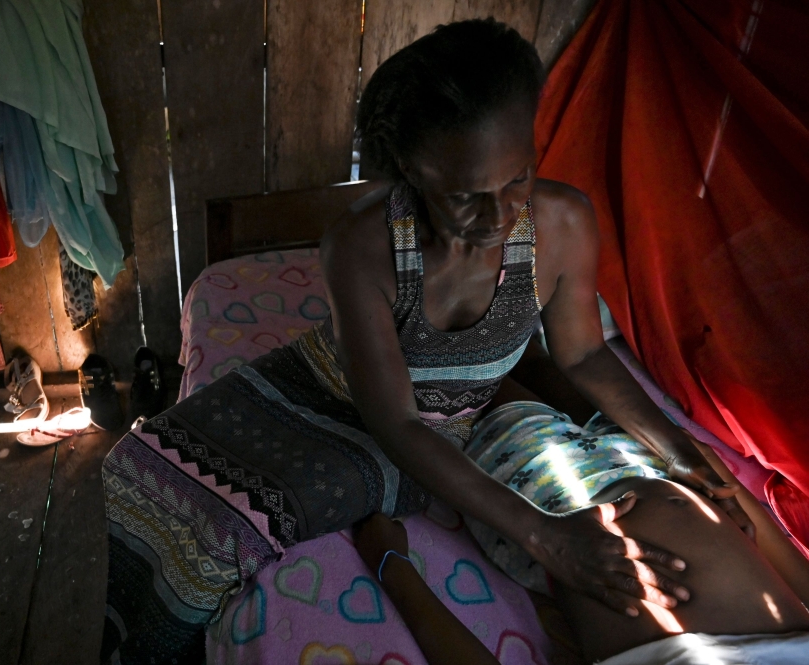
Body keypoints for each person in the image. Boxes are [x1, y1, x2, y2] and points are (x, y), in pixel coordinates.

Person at [100, 19, 754, 664]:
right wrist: (547, 538)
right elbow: (395, 421)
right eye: (466, 197)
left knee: (224, 533)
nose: (499, 217)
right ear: (413, 171)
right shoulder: (363, 248)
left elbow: (582, 354)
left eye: (518, 178)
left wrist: (677, 449)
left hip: (429, 434)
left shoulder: (562, 224)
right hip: (350, 401)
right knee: (139, 473)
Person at [352, 398, 809, 664]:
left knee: (478, 382)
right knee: (566, 371)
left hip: (551, 502)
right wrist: (716, 480)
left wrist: (392, 565)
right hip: (670, 470)